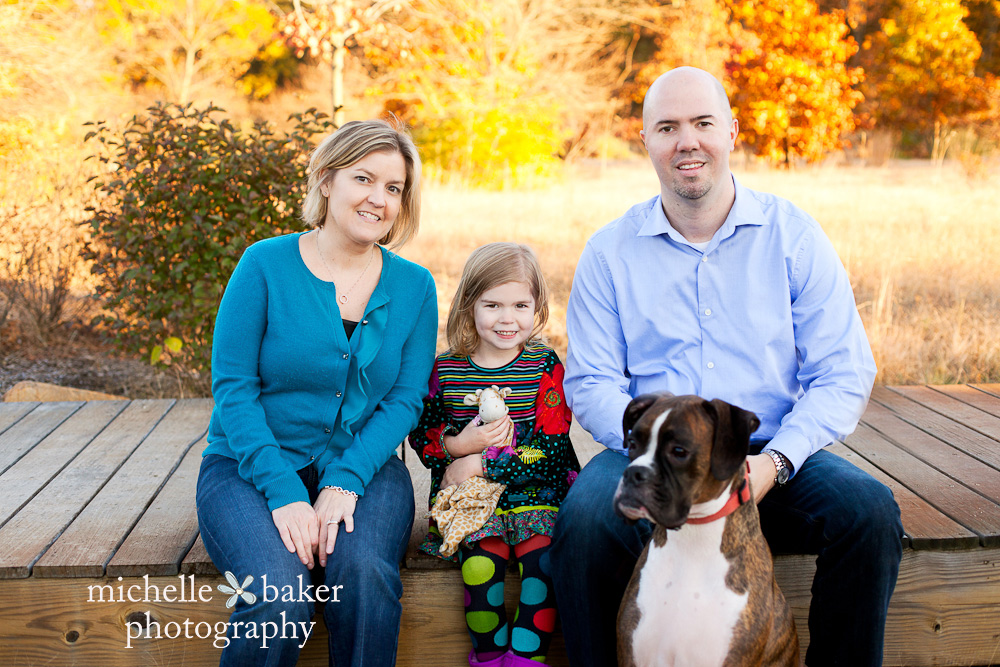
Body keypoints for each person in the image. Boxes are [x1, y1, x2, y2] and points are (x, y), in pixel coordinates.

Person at [548, 66, 904, 667]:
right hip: (654, 452)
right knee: (584, 525)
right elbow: (591, 383)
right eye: (667, 127)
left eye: (702, 124)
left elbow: (843, 371)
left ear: (732, 132)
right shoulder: (610, 252)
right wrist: (651, 451)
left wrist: (777, 462)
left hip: (767, 453)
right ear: (646, 142)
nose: (687, 141)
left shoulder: (791, 235)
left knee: (868, 514)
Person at [196, 118, 437, 666]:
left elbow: (404, 400)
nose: (378, 198)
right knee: (279, 597)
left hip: (366, 468)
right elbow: (233, 389)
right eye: (363, 179)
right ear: (326, 181)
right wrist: (284, 492)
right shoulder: (264, 265)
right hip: (246, 467)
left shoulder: (415, 287)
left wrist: (346, 481)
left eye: (394, 188)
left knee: (365, 579)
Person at [409, 242, 581, 667]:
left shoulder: (544, 365)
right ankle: (488, 656)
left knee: (542, 566)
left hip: (537, 493)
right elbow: (422, 437)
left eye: (521, 305)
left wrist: (483, 462)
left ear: (537, 306)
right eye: (493, 305)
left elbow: (553, 448)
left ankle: (526, 657)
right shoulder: (446, 370)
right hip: (472, 500)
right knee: (480, 570)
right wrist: (457, 447)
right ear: (469, 305)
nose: (508, 319)